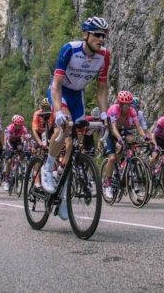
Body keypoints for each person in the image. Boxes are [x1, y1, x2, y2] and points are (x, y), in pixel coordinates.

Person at [41, 16, 111, 215]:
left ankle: (64, 197)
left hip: (77, 96)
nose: (101, 39)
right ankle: (48, 166)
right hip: (60, 92)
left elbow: (102, 89)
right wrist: (57, 110)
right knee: (63, 126)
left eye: (104, 35)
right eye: (97, 34)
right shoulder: (70, 49)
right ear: (86, 34)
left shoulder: (104, 56)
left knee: (76, 142)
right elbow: (56, 84)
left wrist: (105, 113)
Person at [102, 90, 149, 201]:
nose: (127, 107)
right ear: (120, 104)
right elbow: (113, 128)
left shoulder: (132, 111)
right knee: (112, 157)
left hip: (122, 130)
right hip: (110, 131)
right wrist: (119, 139)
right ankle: (108, 183)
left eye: (129, 104)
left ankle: (125, 166)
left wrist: (145, 136)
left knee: (132, 140)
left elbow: (138, 127)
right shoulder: (114, 109)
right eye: (125, 105)